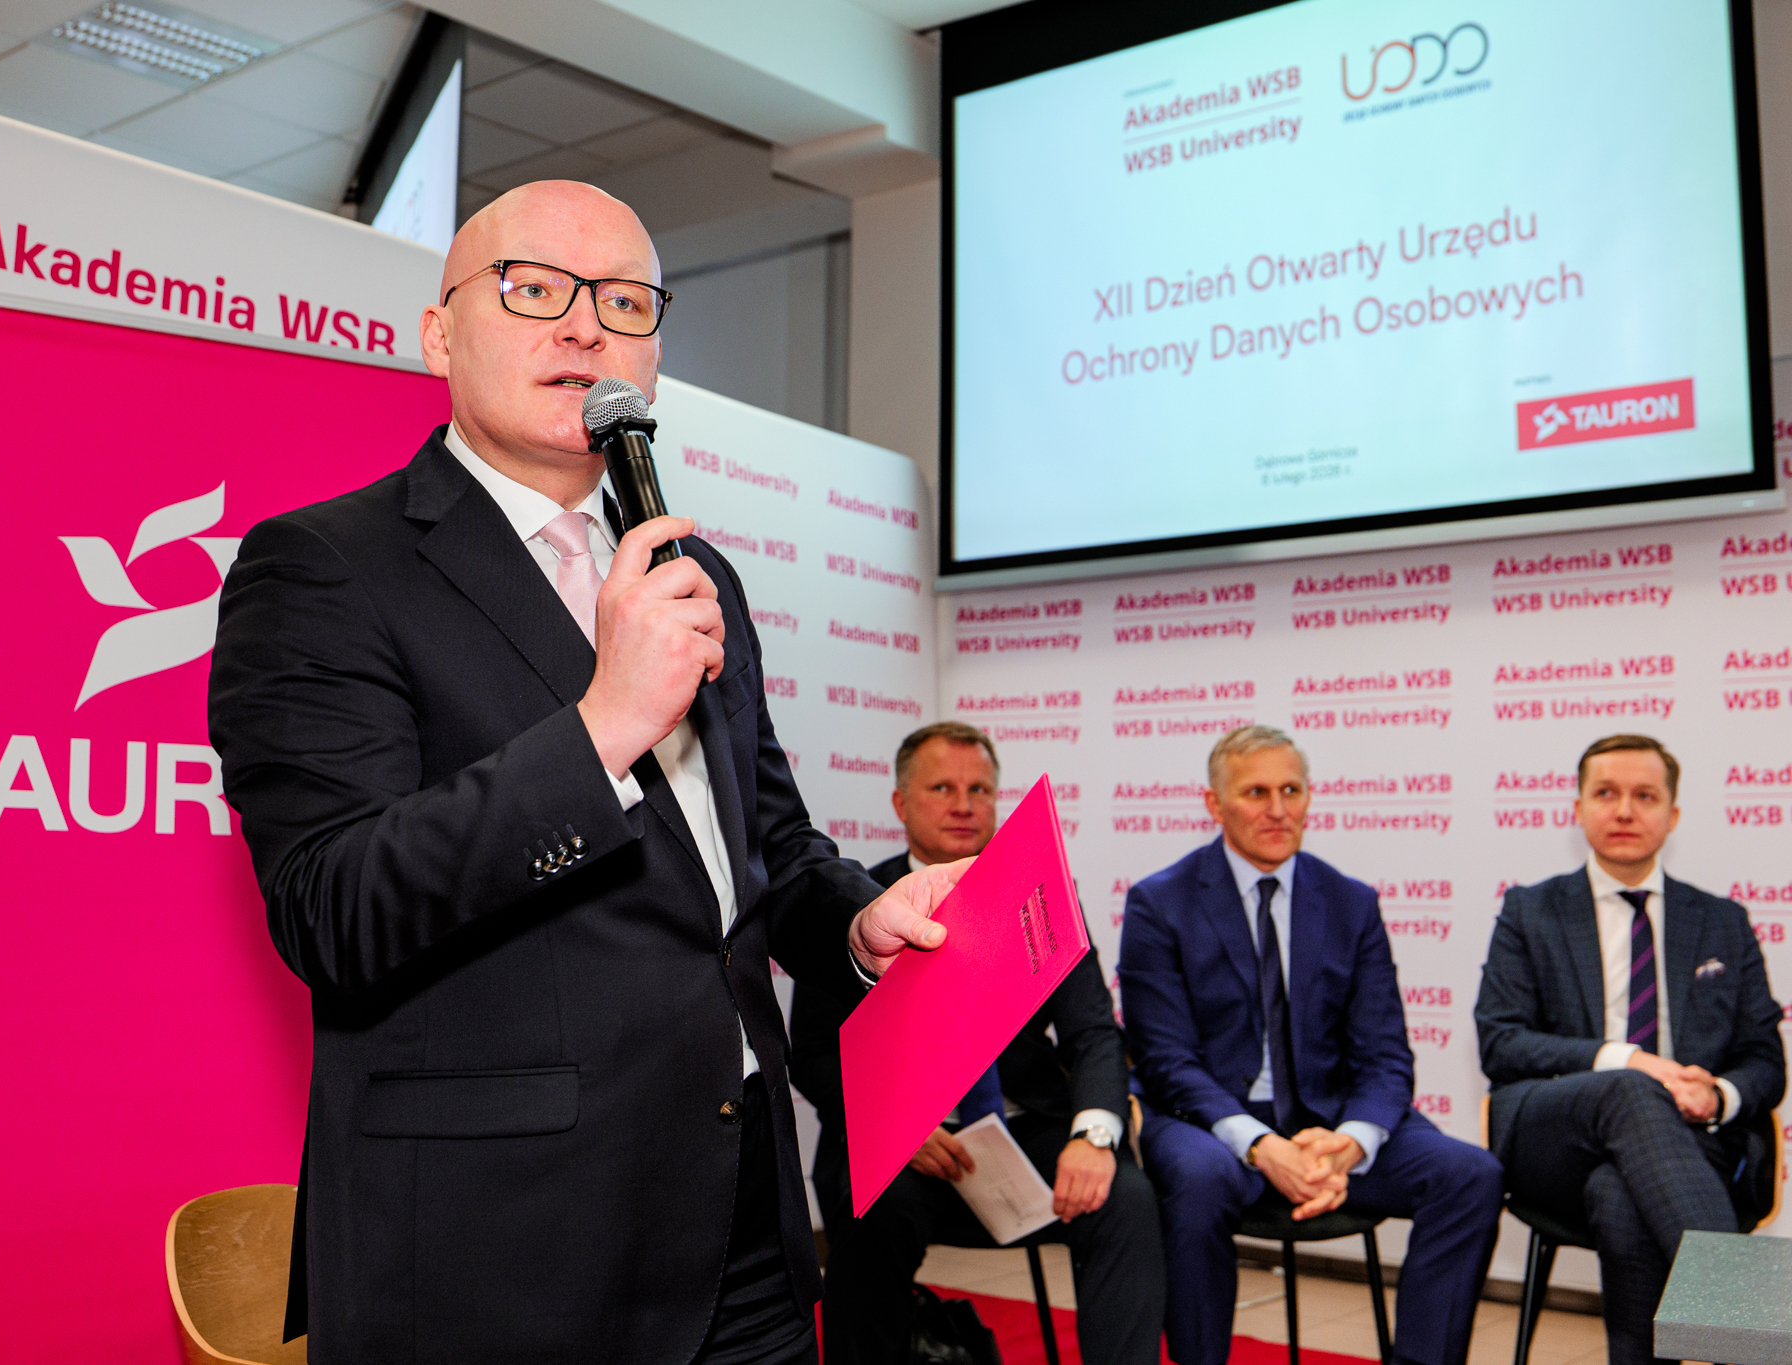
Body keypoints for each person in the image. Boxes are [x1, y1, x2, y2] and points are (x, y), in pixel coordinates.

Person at [207, 180, 966, 1365]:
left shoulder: (690, 572)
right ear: (438, 334)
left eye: (622, 301)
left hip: (745, 1224)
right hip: (500, 1253)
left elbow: (764, 848)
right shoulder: (323, 568)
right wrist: (604, 724)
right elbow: (333, 909)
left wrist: (855, 925)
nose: (582, 326)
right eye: (533, 290)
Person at [1120, 725, 1502, 1365]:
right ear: (1214, 804)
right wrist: (1261, 1146)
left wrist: (1350, 1144)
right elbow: (1165, 1059)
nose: (1278, 809)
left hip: (1327, 1123)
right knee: (1199, 1180)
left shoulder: (1351, 902)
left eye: (1291, 790)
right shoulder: (1159, 903)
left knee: (1470, 1175)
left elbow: (1385, 1055)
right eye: (1256, 793)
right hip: (1208, 1119)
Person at [789, 722, 1165, 1365]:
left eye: (980, 790)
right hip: (903, 1142)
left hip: (1025, 1126)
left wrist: (1095, 1135)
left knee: (1124, 1198)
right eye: (942, 788)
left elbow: (1093, 1032)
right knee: (870, 1211)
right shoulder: (852, 903)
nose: (963, 805)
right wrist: (896, 1126)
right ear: (900, 803)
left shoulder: (1041, 895)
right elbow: (814, 1053)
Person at [1475, 734, 1784, 1365]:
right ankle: (1754, 1332)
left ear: (1672, 814)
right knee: (1627, 1088)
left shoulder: (1721, 920)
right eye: (1605, 793)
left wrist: (1716, 1094)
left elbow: (1764, 1059)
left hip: (1689, 1144)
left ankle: (1738, 1337)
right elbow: (1502, 1043)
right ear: (1578, 808)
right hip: (1558, 1136)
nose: (1623, 810)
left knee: (1620, 1196)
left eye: (1644, 796)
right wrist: (1630, 1061)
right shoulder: (1530, 911)